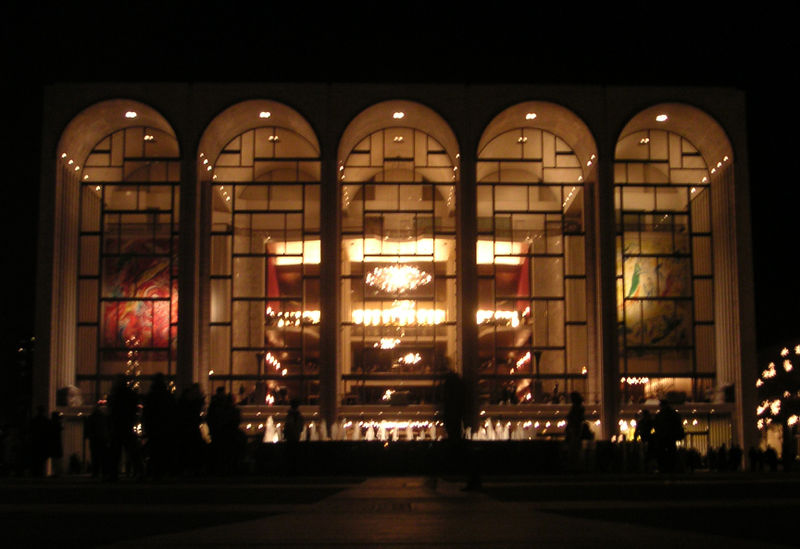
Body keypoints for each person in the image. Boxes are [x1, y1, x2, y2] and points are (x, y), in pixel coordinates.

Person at [142, 373, 177, 479]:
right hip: (165, 427)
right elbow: (173, 412)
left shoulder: (151, 396)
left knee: (154, 450)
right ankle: (164, 470)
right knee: (164, 450)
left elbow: (147, 413)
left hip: (154, 427)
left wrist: (147, 426)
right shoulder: (168, 396)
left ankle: (154, 471)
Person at [107, 375, 142, 480]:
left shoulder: (114, 395)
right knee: (133, 451)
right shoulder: (130, 394)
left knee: (115, 453)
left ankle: (113, 474)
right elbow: (134, 408)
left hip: (118, 426)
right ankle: (139, 471)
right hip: (127, 425)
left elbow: (112, 411)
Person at [652, 399, 684, 473]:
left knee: (663, 454)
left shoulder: (660, 415)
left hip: (663, 438)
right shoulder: (673, 414)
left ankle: (664, 468)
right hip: (671, 437)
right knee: (671, 453)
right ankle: (671, 468)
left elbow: (656, 426)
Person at [84, 403, 110, 478]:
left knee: (95, 457)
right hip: (102, 439)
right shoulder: (104, 418)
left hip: (95, 439)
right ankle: (104, 472)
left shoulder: (91, 418)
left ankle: (96, 472)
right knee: (103, 457)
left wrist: (89, 435)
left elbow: (89, 429)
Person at [283, 398, 304, 474]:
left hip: (291, 437)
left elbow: (287, 426)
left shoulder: (290, 416)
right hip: (295, 436)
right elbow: (301, 427)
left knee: (291, 456)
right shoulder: (298, 416)